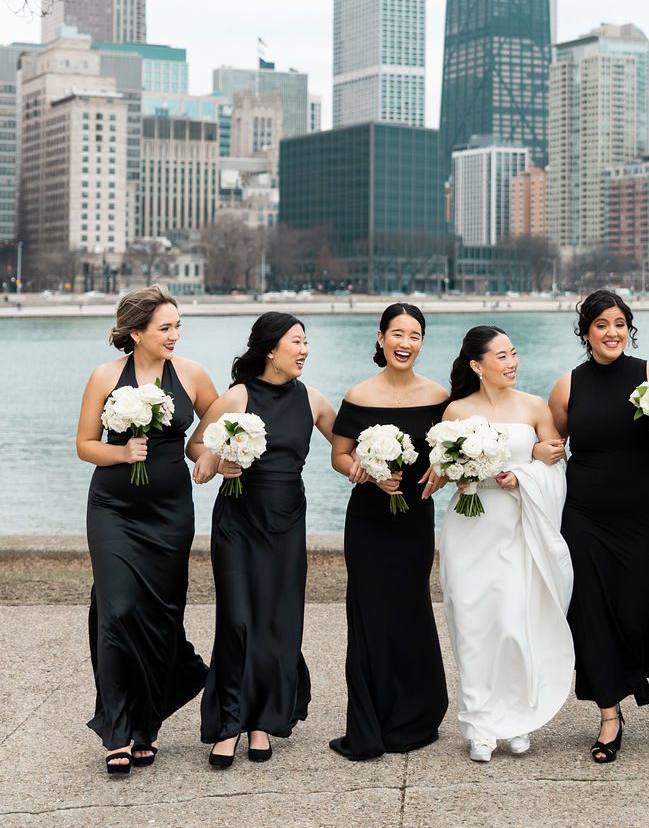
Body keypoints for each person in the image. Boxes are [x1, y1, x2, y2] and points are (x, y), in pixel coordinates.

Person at [76, 285, 218, 777]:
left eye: (178, 326)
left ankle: (145, 726)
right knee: (117, 612)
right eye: (165, 327)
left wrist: (208, 458)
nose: (175, 335)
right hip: (112, 508)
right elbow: (84, 445)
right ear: (136, 332)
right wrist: (122, 453)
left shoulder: (195, 375)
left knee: (161, 616)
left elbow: (215, 429)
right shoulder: (105, 377)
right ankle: (117, 732)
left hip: (171, 512)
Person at [190, 314, 335, 767]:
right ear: (272, 349)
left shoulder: (312, 400)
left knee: (278, 619)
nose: (305, 349)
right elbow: (196, 445)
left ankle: (263, 722)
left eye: (306, 342)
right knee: (237, 618)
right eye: (297, 342)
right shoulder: (239, 395)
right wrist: (218, 461)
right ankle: (228, 723)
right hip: (239, 519)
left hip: (287, 521)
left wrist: (382, 461)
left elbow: (348, 442)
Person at [428, 326, 573, 763]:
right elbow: (446, 472)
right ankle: (479, 725)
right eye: (502, 356)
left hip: (518, 523)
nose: (512, 362)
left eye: (514, 354)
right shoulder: (455, 411)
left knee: (513, 622)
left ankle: (518, 719)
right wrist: (467, 471)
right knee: (472, 624)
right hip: (470, 526)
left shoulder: (534, 406)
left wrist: (526, 473)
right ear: (477, 366)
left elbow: (555, 461)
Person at [548, 291, 649, 764]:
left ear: (629, 328)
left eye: (620, 323)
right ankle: (608, 715)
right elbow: (554, 443)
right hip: (584, 512)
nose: (612, 332)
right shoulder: (567, 386)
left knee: (633, 603)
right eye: (601, 324)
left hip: (640, 509)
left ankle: (635, 669)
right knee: (591, 609)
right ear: (586, 333)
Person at [329, 303, 449, 760]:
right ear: (380, 339)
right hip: (369, 522)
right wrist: (365, 472)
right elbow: (339, 455)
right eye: (397, 334)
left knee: (411, 607)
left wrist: (443, 470)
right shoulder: (359, 395)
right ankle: (371, 719)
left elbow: (447, 452)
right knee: (370, 615)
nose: (406, 343)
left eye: (415, 335)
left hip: (415, 519)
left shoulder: (439, 396)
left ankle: (417, 713)